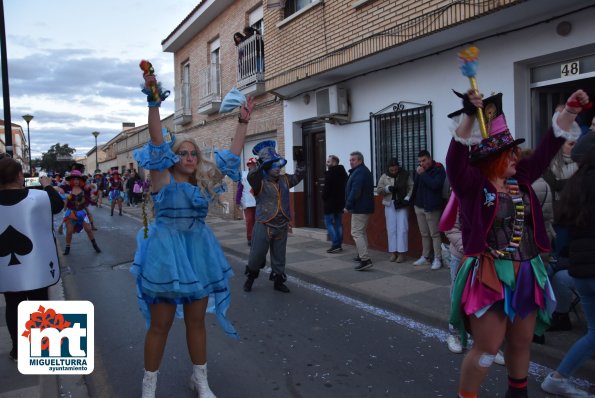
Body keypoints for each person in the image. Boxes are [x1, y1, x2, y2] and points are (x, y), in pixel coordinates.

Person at [447, 88, 588, 398]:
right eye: (508, 152)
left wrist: (571, 112)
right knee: (487, 348)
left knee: (522, 341)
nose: (516, 156)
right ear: (490, 158)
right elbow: (455, 159)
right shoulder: (472, 185)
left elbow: (549, 146)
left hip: (527, 272)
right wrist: (470, 115)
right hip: (489, 276)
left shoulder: (521, 177)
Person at [132, 70, 253, 398]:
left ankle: (200, 380)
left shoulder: (204, 183)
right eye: (182, 153)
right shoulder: (162, 179)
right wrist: (154, 103)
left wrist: (243, 123)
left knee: (197, 322)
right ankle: (149, 386)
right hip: (165, 255)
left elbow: (230, 158)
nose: (188, 157)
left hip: (199, 254)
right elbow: (157, 140)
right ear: (173, 158)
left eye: (193, 154)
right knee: (161, 324)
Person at [541, 128, 595, 397]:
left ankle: (559, 377)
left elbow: (560, 223)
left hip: (580, 269)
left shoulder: (573, 185)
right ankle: (558, 377)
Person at [0, 156, 63, 362]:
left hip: (6, 268)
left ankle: (18, 350)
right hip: (36, 266)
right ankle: (39, 348)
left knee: (13, 305)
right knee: (38, 304)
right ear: (20, 175)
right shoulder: (38, 197)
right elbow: (57, 205)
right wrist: (47, 185)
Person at [242, 140, 305, 293]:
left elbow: (299, 175)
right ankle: (250, 279)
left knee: (279, 256)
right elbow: (251, 176)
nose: (278, 168)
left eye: (279, 165)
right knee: (256, 255)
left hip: (281, 224)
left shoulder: (285, 180)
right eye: (274, 165)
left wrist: (301, 160)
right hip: (264, 223)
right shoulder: (259, 182)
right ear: (267, 167)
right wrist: (260, 163)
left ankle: (278, 281)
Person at [411, 149, 446, 270]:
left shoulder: (438, 169)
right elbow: (415, 187)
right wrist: (413, 202)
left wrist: (423, 174)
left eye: (424, 160)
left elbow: (435, 185)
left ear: (430, 158)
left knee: (435, 234)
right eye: (420, 161)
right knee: (424, 234)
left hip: (432, 207)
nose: (422, 163)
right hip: (419, 206)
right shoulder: (420, 171)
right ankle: (425, 257)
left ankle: (437, 258)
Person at [376, 158, 413, 263]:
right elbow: (379, 190)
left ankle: (402, 253)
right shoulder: (384, 176)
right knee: (391, 229)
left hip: (402, 203)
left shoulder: (405, 175)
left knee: (402, 228)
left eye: (395, 169)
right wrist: (387, 189)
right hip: (389, 204)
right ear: (388, 169)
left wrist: (407, 198)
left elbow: (411, 187)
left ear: (398, 167)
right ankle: (393, 252)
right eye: (392, 170)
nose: (394, 172)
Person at [344, 151, 375, 271]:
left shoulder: (360, 172)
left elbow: (355, 191)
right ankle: (361, 254)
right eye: (350, 160)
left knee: (356, 233)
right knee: (361, 232)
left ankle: (365, 259)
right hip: (363, 207)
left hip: (360, 207)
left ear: (360, 161)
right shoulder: (361, 171)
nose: (351, 162)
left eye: (353, 160)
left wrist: (348, 205)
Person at [62, 170, 101, 255]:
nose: (76, 181)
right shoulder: (68, 188)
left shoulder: (84, 189)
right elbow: (59, 189)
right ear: (71, 180)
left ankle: (95, 245)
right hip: (70, 213)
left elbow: (94, 188)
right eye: (74, 179)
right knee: (69, 231)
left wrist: (92, 185)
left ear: (80, 180)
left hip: (82, 212)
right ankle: (67, 248)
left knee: (88, 229)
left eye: (78, 179)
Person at [322, 155, 348, 253]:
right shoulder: (343, 173)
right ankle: (339, 244)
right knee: (338, 223)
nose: (326, 163)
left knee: (328, 222)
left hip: (330, 202)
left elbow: (326, 190)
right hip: (340, 202)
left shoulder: (330, 174)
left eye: (328, 162)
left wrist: (323, 197)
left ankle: (335, 243)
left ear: (334, 163)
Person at [236, 157, 257, 246]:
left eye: (253, 164)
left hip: (258, 201)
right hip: (247, 202)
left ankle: (257, 238)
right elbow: (239, 189)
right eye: (250, 164)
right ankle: (250, 238)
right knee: (249, 220)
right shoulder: (243, 175)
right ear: (248, 165)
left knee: (258, 221)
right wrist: (237, 201)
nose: (252, 166)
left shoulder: (260, 175)